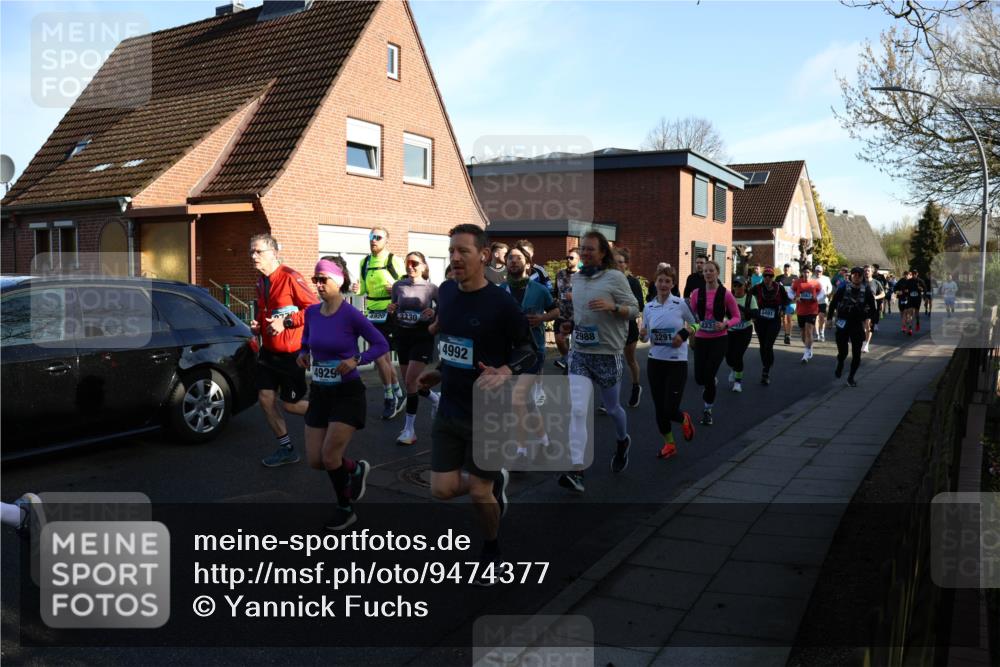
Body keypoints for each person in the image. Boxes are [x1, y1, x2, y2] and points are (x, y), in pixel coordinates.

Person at [416, 224, 536, 583]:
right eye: (451, 250)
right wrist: (439, 370)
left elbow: (528, 349)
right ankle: (495, 477)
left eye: (463, 251)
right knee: (441, 490)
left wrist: (506, 369)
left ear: (483, 256)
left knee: (481, 494)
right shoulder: (448, 292)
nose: (454, 258)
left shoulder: (501, 303)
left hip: (490, 412)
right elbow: (453, 342)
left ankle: (492, 548)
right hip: (451, 406)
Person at [297, 257, 389, 530]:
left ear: (338, 280)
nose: (318, 285)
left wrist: (357, 359)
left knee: (329, 456)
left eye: (323, 279)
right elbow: (306, 341)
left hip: (347, 393)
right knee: (316, 460)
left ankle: (345, 507)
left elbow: (381, 343)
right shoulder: (312, 313)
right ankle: (355, 469)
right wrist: (303, 354)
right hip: (320, 393)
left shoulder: (351, 314)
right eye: (315, 279)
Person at [558, 231, 639, 492]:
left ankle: (622, 440)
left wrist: (612, 307)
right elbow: (580, 314)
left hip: (608, 352)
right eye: (582, 249)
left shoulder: (615, 277)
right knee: (578, 410)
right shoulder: (577, 279)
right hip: (580, 351)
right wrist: (571, 325)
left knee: (613, 408)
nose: (585, 253)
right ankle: (577, 470)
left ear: (602, 252)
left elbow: (635, 309)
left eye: (590, 249)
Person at [250, 233, 320, 467]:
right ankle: (287, 447)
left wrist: (286, 322)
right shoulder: (261, 281)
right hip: (268, 353)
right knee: (265, 398)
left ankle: (330, 416)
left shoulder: (291, 277)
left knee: (290, 405)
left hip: (291, 354)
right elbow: (265, 311)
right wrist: (258, 325)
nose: (253, 256)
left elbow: (314, 309)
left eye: (258, 251)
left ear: (273, 253)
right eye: (252, 251)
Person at [503, 243, 559, 460]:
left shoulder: (539, 290)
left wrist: (542, 318)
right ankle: (545, 440)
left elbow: (556, 310)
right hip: (509, 352)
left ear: (528, 264)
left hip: (533, 350)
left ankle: (521, 450)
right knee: (526, 401)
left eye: (518, 258)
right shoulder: (500, 291)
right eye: (510, 258)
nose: (513, 261)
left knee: (518, 399)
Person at [639, 266, 696, 459]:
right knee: (659, 408)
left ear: (673, 284)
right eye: (660, 281)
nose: (663, 284)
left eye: (667, 281)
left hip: (676, 362)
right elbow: (645, 338)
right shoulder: (648, 307)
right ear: (655, 283)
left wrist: (684, 333)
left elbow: (697, 323)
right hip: (655, 362)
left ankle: (684, 418)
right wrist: (642, 334)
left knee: (670, 409)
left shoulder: (680, 304)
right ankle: (669, 444)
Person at [353, 227, 407, 419]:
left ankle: (390, 396)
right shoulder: (364, 262)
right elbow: (363, 290)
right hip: (372, 313)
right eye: (370, 237)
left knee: (380, 357)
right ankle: (396, 392)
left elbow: (407, 287)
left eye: (377, 237)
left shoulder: (394, 261)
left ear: (386, 240)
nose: (373, 240)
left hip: (390, 313)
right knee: (381, 357)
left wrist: (395, 288)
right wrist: (358, 288)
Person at [387, 251, 439, 447]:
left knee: (410, 381)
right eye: (407, 263)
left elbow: (442, 310)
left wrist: (433, 312)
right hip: (403, 336)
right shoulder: (398, 286)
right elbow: (394, 309)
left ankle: (410, 430)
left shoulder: (431, 288)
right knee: (411, 384)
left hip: (422, 337)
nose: (410, 266)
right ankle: (435, 398)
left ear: (424, 266)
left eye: (415, 263)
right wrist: (391, 310)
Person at [689, 260, 741, 425]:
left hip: (719, 339)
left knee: (709, 376)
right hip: (701, 338)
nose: (708, 274)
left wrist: (725, 324)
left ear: (717, 273)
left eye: (711, 271)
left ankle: (707, 409)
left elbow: (736, 317)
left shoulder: (725, 294)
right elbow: (692, 316)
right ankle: (710, 382)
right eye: (705, 271)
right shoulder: (696, 293)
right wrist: (691, 330)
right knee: (699, 378)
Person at [827, 267, 876, 388]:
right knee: (843, 351)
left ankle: (851, 377)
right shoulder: (843, 288)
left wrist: (871, 323)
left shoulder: (867, 290)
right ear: (851, 276)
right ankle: (840, 362)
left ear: (862, 277)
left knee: (856, 354)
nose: (856, 277)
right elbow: (833, 303)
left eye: (859, 275)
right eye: (854, 275)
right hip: (843, 322)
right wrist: (829, 319)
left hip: (857, 323)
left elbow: (873, 309)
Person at [615, 248, 646, 408]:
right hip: (611, 327)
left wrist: (620, 306)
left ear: (626, 264)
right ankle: (610, 399)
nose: (617, 265)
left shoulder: (632, 282)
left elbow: (640, 304)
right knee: (613, 362)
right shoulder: (607, 281)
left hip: (628, 326)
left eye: (620, 262)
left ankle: (636, 386)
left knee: (630, 360)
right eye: (615, 262)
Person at [750, 266, 789, 385]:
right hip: (760, 320)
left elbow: (786, 300)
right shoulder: (757, 288)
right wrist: (751, 312)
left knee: (768, 344)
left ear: (773, 277)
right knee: (763, 345)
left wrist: (782, 309)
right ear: (763, 277)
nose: (767, 278)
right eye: (765, 276)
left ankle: (765, 372)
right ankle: (766, 363)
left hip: (774, 320)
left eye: (770, 276)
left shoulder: (779, 288)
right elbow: (747, 298)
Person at [725, 276, 757, 393]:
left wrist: (745, 312)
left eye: (740, 285)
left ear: (745, 286)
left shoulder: (750, 298)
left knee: (738, 355)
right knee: (728, 357)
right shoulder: (729, 298)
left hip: (745, 330)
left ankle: (738, 383)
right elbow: (722, 312)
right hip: (731, 331)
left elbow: (755, 313)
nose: (737, 288)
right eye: (735, 285)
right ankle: (734, 369)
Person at [554, 248, 580, 370]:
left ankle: (572, 365)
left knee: (576, 345)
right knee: (559, 340)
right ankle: (566, 358)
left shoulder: (582, 276)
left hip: (576, 315)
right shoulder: (560, 274)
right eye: (567, 258)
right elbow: (556, 292)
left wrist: (575, 297)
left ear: (578, 259)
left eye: (571, 258)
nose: (568, 260)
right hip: (561, 313)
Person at [792, 266, 822, 363]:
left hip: (812, 310)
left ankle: (806, 353)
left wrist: (816, 297)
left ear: (811, 273)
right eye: (804, 272)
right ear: (802, 273)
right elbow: (791, 291)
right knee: (803, 334)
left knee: (809, 330)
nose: (806, 274)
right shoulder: (797, 282)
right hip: (801, 310)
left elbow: (822, 292)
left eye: (808, 272)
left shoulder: (815, 283)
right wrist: (794, 297)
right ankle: (809, 347)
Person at [862, 265, 884, 353]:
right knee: (862, 327)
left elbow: (883, 294)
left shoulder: (876, 282)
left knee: (868, 325)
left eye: (868, 271)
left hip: (871, 308)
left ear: (872, 272)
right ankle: (863, 341)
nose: (866, 272)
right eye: (865, 271)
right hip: (860, 307)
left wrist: (875, 297)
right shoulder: (860, 282)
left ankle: (866, 344)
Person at [895, 269, 919, 335]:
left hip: (910, 299)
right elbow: (895, 288)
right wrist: (898, 292)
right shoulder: (901, 281)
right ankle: (904, 326)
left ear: (910, 275)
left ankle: (909, 327)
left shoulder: (913, 281)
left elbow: (918, 290)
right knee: (903, 314)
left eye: (907, 275)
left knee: (909, 314)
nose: (906, 276)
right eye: (905, 275)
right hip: (902, 299)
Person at [777, 264, 796, 345]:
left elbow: (798, 288)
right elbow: (775, 288)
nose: (786, 270)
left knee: (789, 317)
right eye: (785, 269)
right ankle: (786, 334)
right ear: (783, 269)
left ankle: (789, 334)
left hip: (791, 301)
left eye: (788, 269)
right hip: (782, 301)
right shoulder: (779, 278)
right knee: (784, 318)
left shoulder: (795, 278)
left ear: (790, 269)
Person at [814, 265, 833, 342]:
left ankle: (822, 333)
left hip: (823, 301)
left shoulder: (826, 278)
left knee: (822, 317)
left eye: (820, 271)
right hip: (814, 301)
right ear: (815, 271)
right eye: (817, 271)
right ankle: (817, 334)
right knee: (815, 318)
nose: (818, 273)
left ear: (822, 272)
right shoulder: (812, 278)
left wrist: (828, 293)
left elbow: (830, 287)